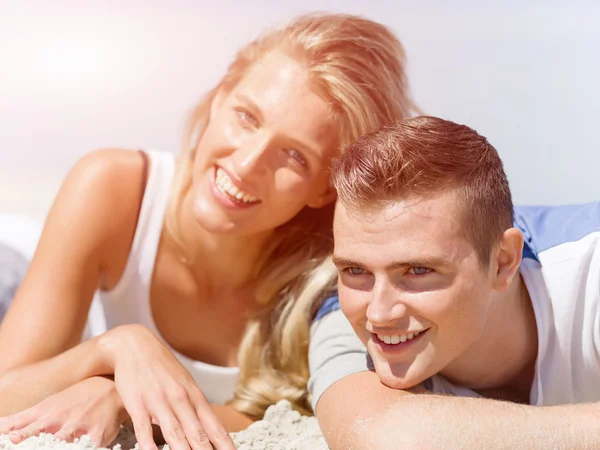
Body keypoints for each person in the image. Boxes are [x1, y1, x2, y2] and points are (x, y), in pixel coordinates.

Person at [0, 12, 419, 450]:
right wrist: (116, 349)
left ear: (323, 190)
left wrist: (123, 396)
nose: (246, 164)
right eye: (247, 117)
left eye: (294, 156)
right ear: (219, 99)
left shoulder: (324, 279)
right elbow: (7, 393)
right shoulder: (112, 187)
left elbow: (277, 413)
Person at [310, 116, 600, 448]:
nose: (378, 314)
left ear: (503, 261)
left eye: (417, 271)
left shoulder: (589, 266)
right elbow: (383, 437)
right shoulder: (339, 317)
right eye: (354, 270)